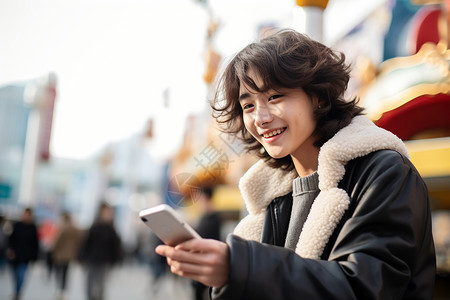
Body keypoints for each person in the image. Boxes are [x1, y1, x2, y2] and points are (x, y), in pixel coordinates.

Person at [155, 29, 436, 299]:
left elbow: (365, 288)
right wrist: (227, 275)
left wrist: (241, 268)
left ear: (318, 96)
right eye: (248, 105)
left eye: (274, 97)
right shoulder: (273, 197)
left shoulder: (384, 172)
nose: (260, 117)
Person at [78, 203, 122, 300]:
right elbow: (86, 243)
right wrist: (81, 257)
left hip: (105, 261)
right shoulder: (94, 227)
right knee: (90, 282)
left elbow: (116, 247)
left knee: (101, 284)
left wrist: (116, 260)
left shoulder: (112, 230)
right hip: (92, 260)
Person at [192, 186, 222, 300]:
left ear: (206, 197)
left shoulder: (213, 217)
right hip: (199, 260)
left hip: (207, 260)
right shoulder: (203, 217)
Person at [6, 207, 39, 300]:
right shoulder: (17, 225)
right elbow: (10, 239)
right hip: (14, 256)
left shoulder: (33, 228)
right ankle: (16, 291)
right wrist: (10, 250)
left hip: (25, 257)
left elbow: (35, 244)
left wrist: (35, 257)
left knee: (21, 276)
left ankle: (17, 293)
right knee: (15, 276)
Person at [51, 211, 81, 300]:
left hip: (60, 254)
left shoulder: (63, 227)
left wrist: (53, 249)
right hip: (70, 255)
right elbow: (79, 241)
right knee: (65, 273)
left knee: (58, 272)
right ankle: (64, 290)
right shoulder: (75, 228)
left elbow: (58, 241)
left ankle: (59, 289)